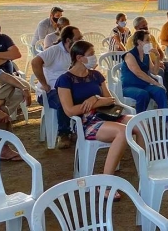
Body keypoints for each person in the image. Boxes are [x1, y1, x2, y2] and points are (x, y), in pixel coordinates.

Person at [56, 40, 136, 195]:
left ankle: (146, 168)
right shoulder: (65, 80)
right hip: (86, 122)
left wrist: (94, 99)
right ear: (79, 58)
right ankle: (105, 183)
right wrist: (96, 103)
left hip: (106, 114)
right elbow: (70, 111)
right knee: (122, 131)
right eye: (91, 54)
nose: (94, 57)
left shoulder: (96, 75)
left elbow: (110, 99)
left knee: (138, 122)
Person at [32, 25, 83, 148]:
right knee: (63, 102)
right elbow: (35, 62)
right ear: (68, 40)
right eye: (78, 38)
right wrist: (44, 84)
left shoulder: (77, 52)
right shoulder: (54, 50)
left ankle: (79, 129)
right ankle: (63, 133)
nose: (81, 41)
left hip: (70, 88)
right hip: (51, 90)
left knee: (88, 97)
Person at [126, 16, 168, 102]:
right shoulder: (131, 41)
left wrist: (159, 60)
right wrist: (156, 63)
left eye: (146, 24)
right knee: (160, 71)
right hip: (145, 67)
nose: (146, 27)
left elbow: (160, 51)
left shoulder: (150, 37)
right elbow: (138, 61)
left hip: (157, 61)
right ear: (136, 28)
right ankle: (166, 95)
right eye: (143, 26)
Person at [121, 30, 168, 113]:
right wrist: (155, 82)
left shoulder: (146, 55)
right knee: (143, 94)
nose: (150, 42)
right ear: (139, 42)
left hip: (144, 85)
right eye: (147, 40)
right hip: (129, 86)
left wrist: (157, 57)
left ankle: (166, 119)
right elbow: (138, 73)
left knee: (160, 91)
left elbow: (154, 72)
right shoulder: (129, 55)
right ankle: (139, 119)